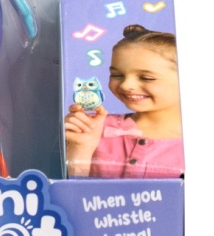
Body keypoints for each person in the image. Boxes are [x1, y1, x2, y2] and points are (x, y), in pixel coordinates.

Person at [64, 24, 183, 178]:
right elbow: (75, 189)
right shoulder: (94, 128)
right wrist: (80, 148)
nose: (126, 85)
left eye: (146, 78)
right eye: (117, 75)